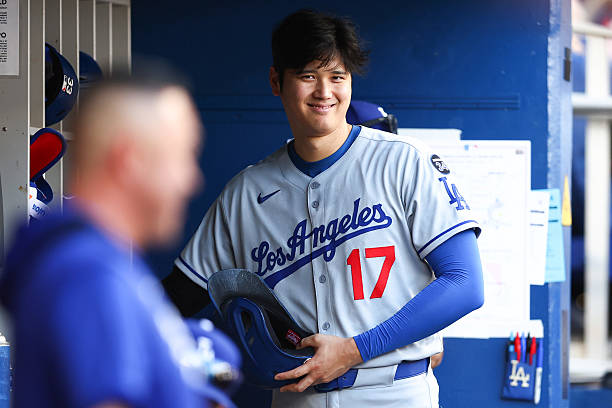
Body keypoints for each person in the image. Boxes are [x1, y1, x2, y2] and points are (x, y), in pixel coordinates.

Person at [163, 9, 484, 407]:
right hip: (298, 398)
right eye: (308, 76)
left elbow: (465, 283)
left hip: (394, 392)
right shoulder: (246, 192)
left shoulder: (404, 161)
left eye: (337, 77)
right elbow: (177, 298)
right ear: (276, 81)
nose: (325, 92)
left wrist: (355, 350)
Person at [0, 69, 229, 408]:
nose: (192, 180)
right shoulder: (89, 275)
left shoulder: (100, 264)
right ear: (130, 159)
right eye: (182, 156)